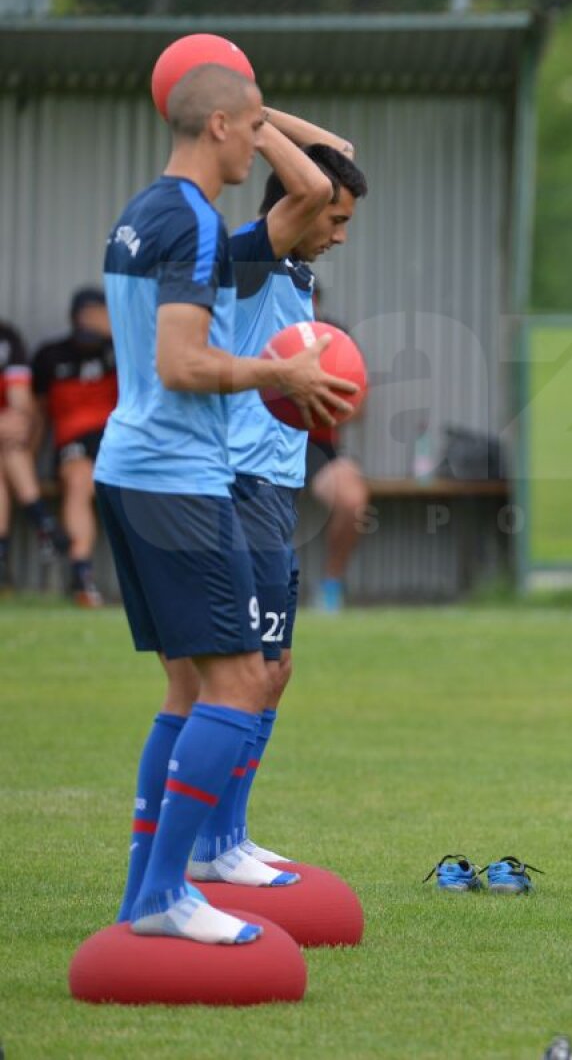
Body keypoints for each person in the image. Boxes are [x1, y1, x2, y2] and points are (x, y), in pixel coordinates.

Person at [95, 62, 358, 944]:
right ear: (219, 128)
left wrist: (244, 99)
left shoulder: (143, 213)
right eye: (250, 129)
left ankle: (151, 891)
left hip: (144, 468)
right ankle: (179, 880)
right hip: (182, 475)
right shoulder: (205, 229)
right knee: (243, 680)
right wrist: (279, 372)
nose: (262, 144)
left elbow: (329, 165)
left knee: (198, 684)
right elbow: (182, 363)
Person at [185, 121, 367, 882]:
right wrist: (253, 121)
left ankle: (228, 834)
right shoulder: (253, 258)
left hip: (272, 486)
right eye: (334, 219)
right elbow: (317, 181)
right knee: (248, 670)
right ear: (296, 208)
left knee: (276, 665)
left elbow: (340, 156)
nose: (339, 232)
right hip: (234, 481)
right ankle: (211, 844)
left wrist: (264, 115)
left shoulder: (292, 273)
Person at [31, 286, 119, 606]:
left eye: (100, 316)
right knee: (79, 479)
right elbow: (38, 414)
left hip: (116, 440)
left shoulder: (120, 349)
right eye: (87, 316)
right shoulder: (50, 355)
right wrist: (29, 459)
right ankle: (82, 575)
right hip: (73, 443)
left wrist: (114, 332)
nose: (92, 323)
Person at [307, 288, 371, 614]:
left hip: (317, 447)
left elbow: (358, 408)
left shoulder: (335, 341)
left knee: (353, 501)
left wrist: (317, 403)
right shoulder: (257, 332)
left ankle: (331, 587)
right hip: (259, 446)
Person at [0, 319, 71, 590]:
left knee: (10, 449)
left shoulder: (6, 336)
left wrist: (17, 423)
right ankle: (42, 520)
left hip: (7, 443)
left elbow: (22, 405)